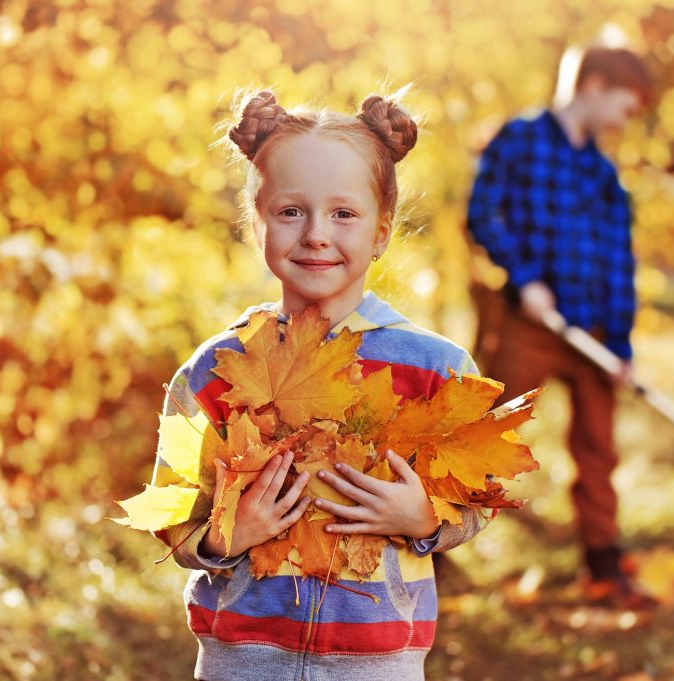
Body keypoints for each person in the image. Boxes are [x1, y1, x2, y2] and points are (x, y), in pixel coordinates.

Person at [150, 89, 487, 681]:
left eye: (344, 214)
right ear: (258, 224)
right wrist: (228, 535)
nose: (315, 234)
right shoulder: (216, 370)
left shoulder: (436, 368)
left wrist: (426, 520)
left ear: (382, 230)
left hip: (377, 661)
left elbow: (478, 495)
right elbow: (172, 508)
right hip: (242, 660)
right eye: (290, 212)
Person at [466, 46, 652, 607]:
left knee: (599, 450)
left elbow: (618, 261)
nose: (625, 121)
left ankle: (604, 564)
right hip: (532, 324)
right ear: (593, 86)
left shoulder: (603, 174)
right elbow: (482, 213)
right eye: (624, 106)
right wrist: (526, 280)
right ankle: (433, 544)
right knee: (487, 435)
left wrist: (619, 344)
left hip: (593, 333)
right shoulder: (520, 140)